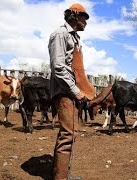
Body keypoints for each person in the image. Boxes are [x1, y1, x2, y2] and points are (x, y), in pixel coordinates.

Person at [48, 3, 89, 180]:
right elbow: (58, 67)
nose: (86, 22)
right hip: (64, 91)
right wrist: (75, 91)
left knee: (71, 133)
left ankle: (64, 174)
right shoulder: (60, 34)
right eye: (84, 18)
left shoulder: (74, 38)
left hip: (71, 91)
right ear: (74, 16)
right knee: (67, 134)